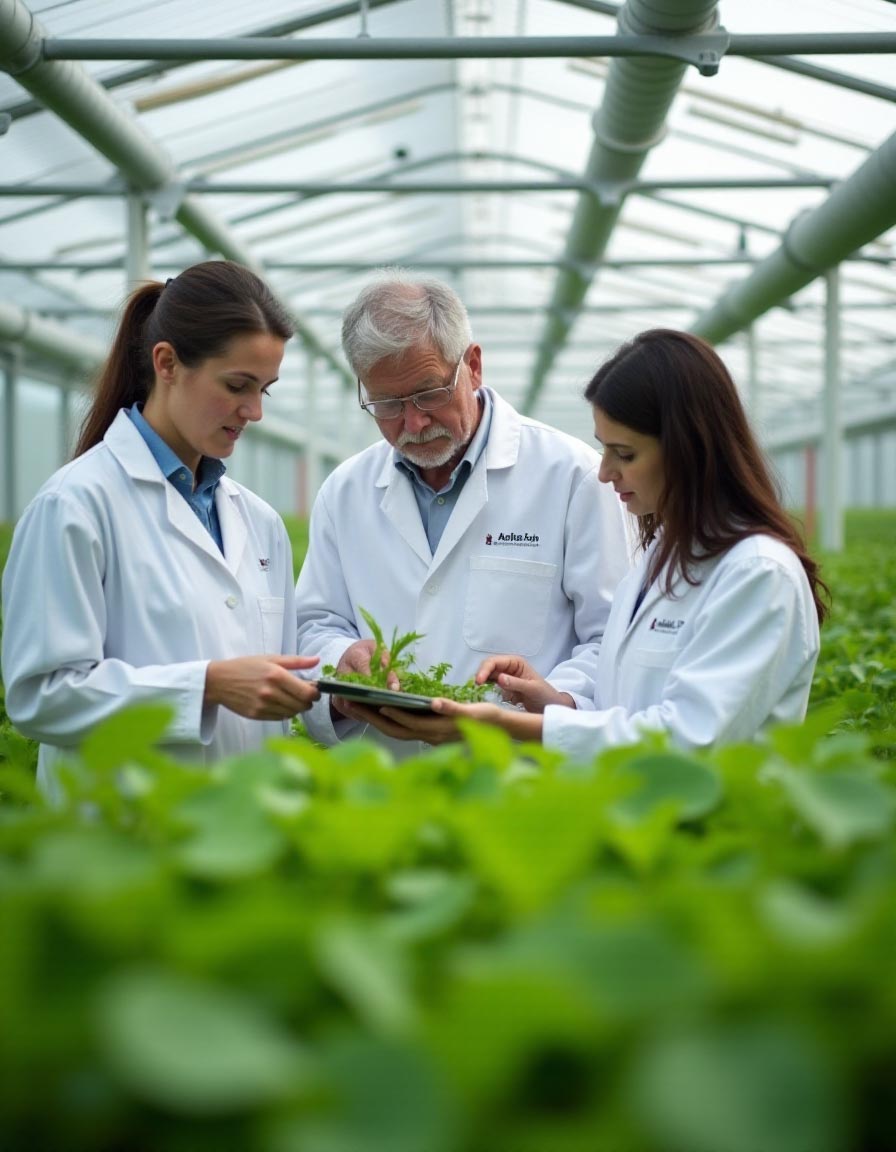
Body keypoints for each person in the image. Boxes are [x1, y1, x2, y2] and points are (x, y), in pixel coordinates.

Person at [389, 328, 827, 754]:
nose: (605, 472)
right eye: (604, 449)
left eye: (626, 453)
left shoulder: (757, 574)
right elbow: (628, 702)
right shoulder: (660, 557)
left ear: (688, 448)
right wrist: (555, 703)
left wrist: (510, 725)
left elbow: (692, 738)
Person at [1, 260, 319, 799]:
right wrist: (207, 686)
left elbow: (275, 680)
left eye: (265, 389)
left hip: (244, 831)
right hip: (121, 835)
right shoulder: (76, 505)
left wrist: (340, 685)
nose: (255, 411)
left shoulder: (258, 523)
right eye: (238, 385)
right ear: (167, 363)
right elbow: (42, 696)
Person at [295, 272, 632, 757]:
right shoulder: (345, 491)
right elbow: (315, 623)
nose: (413, 422)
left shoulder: (572, 476)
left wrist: (557, 703)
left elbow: (613, 637)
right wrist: (339, 658)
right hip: (386, 781)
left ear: (473, 366)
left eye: (429, 393)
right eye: (387, 404)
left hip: (522, 777)